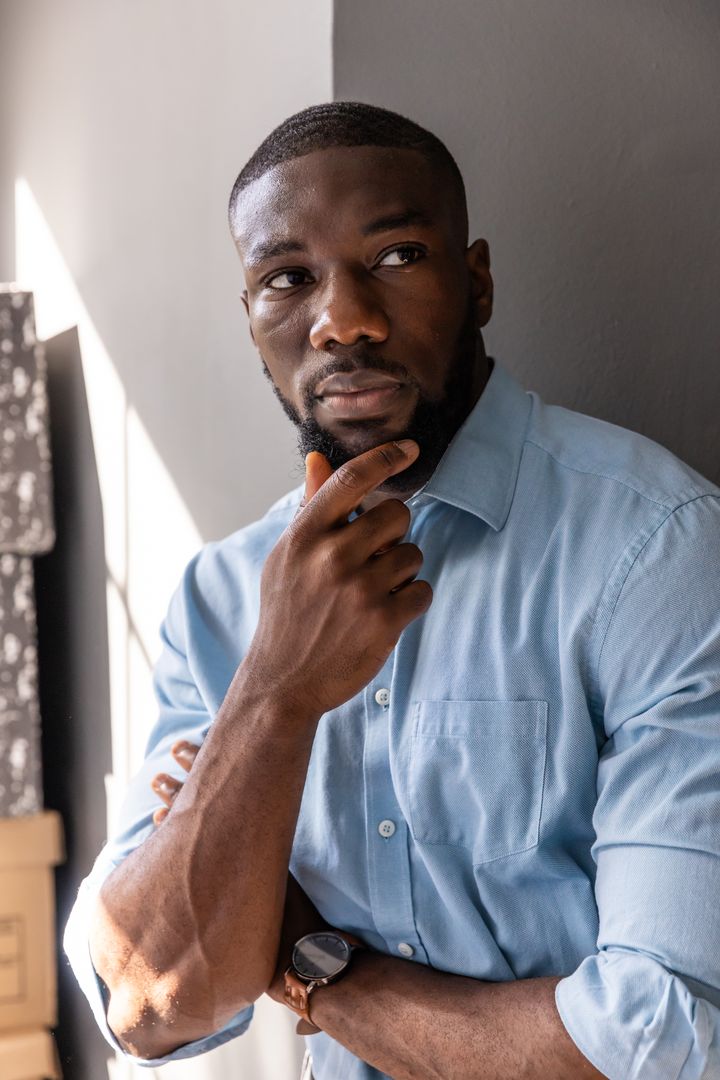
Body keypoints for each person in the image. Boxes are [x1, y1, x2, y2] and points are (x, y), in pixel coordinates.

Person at [65, 102, 720, 1079]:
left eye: (399, 256)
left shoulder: (657, 547)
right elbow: (146, 1003)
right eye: (289, 279)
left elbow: (667, 1034)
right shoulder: (219, 597)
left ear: (479, 280)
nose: (345, 319)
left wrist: (314, 967)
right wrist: (273, 695)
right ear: (250, 320)